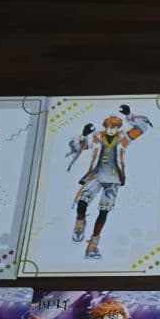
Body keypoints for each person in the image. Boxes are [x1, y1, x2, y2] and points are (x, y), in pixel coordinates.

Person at [66, 104, 152, 260]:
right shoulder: (97, 138)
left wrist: (129, 115)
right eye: (109, 127)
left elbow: (142, 128)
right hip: (96, 176)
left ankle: (93, 244)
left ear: (118, 128)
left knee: (103, 212)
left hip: (113, 179)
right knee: (82, 202)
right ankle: (79, 224)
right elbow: (78, 146)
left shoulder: (123, 138)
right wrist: (84, 135)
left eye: (115, 127)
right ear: (105, 127)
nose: (112, 130)